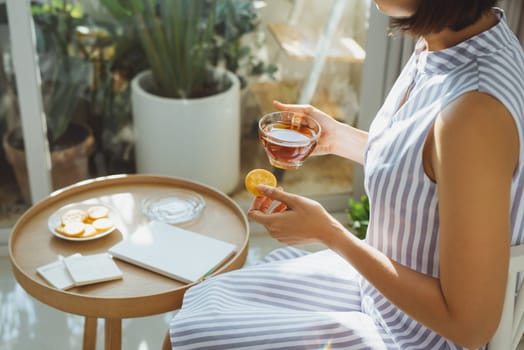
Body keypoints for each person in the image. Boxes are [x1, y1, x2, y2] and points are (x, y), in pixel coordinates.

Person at [163, 0, 524, 349]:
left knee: (191, 336)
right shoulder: (450, 45)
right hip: (379, 292)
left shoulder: (475, 113)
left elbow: (469, 326)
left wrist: (329, 233)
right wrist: (337, 137)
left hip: (413, 334)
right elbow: (424, 169)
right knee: (197, 308)